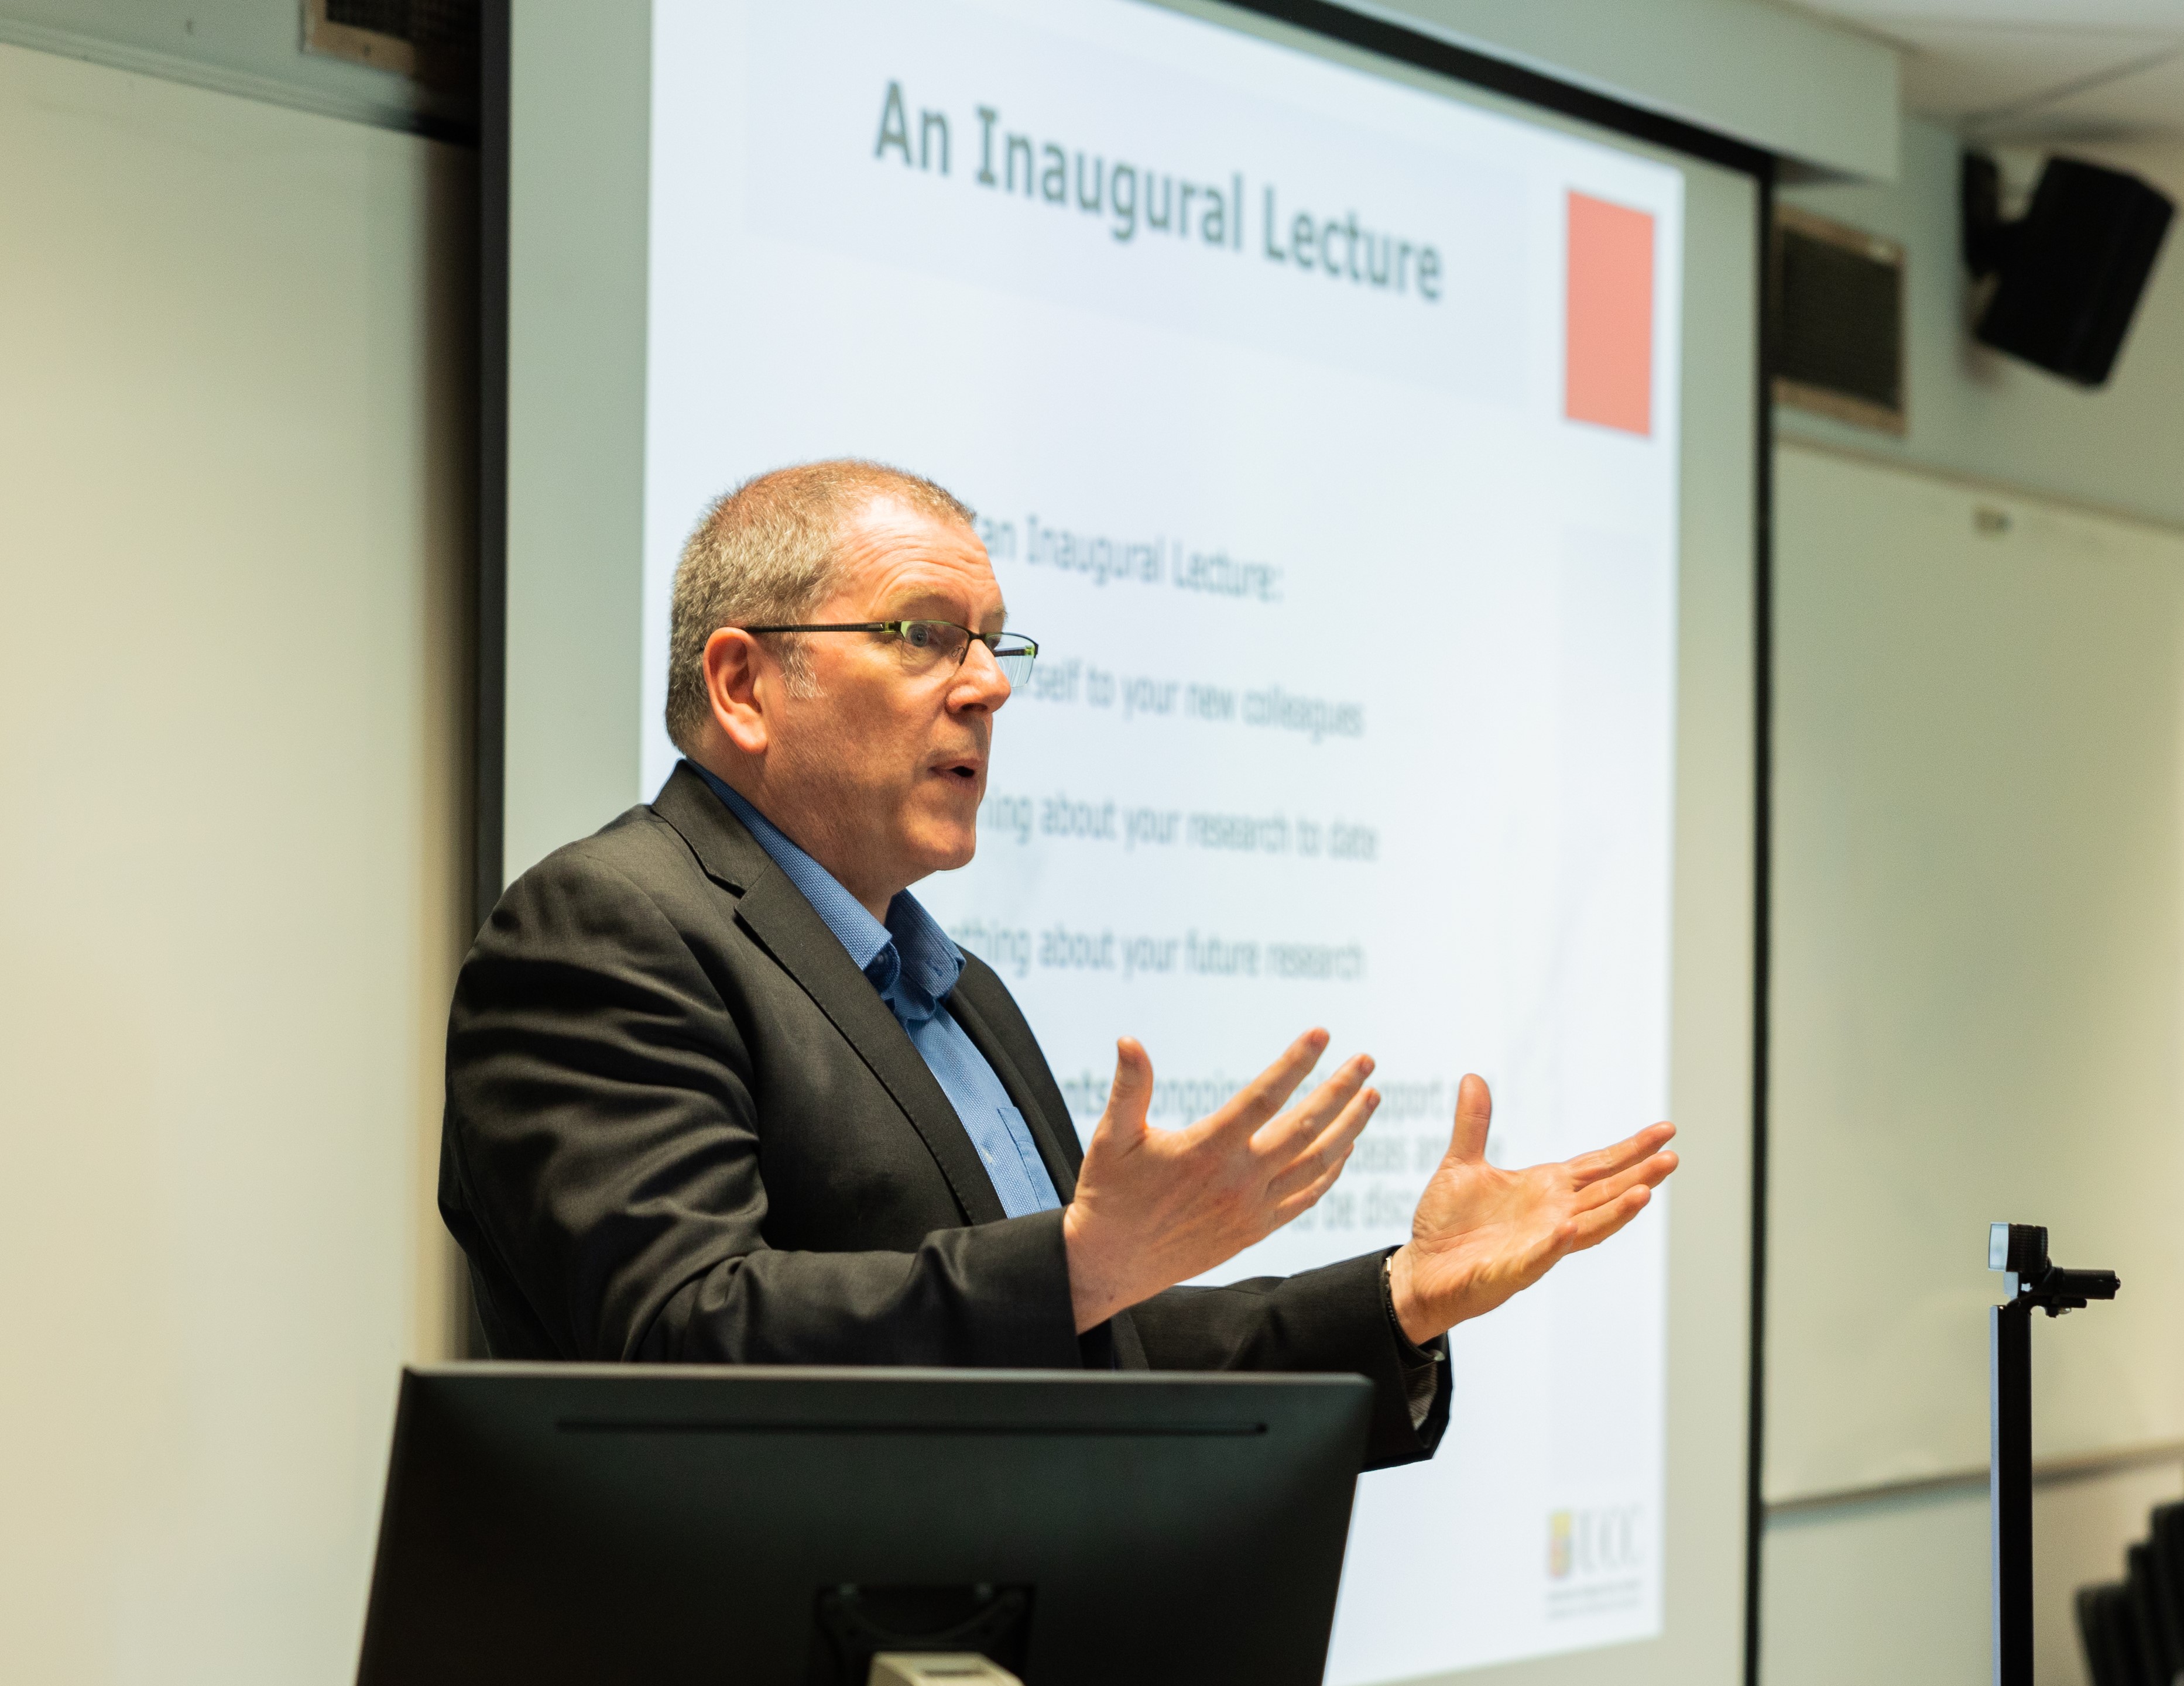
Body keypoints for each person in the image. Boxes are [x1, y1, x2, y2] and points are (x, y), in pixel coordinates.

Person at [440, 460, 1676, 1471]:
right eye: (925, 636)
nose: (986, 687)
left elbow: (1088, 1353)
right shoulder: (609, 927)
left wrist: (1405, 1297)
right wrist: (1079, 1264)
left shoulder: (961, 992)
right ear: (744, 683)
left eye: (992, 644)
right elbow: (680, 1343)